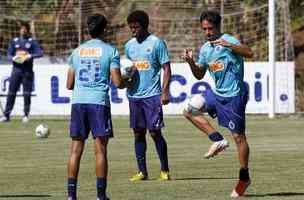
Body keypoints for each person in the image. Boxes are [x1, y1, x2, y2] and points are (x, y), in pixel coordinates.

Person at [182, 10, 253, 198]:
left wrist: (230, 45)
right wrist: (190, 62)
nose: (207, 32)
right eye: (204, 29)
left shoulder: (229, 40)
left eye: (210, 28)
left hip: (234, 96)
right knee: (189, 110)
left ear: (218, 26)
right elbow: (199, 74)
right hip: (217, 95)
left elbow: (250, 52)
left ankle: (244, 177)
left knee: (239, 138)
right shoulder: (206, 49)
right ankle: (217, 139)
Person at [66, 14, 124, 200]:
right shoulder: (110, 51)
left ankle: (71, 196)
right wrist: (128, 79)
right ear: (105, 29)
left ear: (88, 30)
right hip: (98, 103)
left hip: (78, 102)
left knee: (75, 149)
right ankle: (100, 196)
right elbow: (117, 81)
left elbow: (68, 84)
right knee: (100, 150)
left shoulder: (77, 51)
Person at [124, 10, 171, 181]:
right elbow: (127, 69)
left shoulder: (157, 43)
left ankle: (164, 170)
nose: (133, 30)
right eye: (131, 27)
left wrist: (165, 91)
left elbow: (166, 68)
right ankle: (142, 172)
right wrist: (125, 79)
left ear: (144, 26)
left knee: (154, 132)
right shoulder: (129, 45)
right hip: (134, 95)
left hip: (152, 95)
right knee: (138, 133)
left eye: (136, 27)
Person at [0, 22, 43, 123]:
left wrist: (29, 56)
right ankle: (6, 115)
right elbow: (8, 54)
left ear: (28, 30)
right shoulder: (14, 41)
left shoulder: (32, 42)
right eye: (21, 29)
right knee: (11, 93)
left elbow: (40, 53)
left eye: (25, 29)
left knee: (26, 94)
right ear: (20, 30)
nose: (23, 30)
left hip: (27, 71)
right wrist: (14, 57)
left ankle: (26, 115)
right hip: (16, 71)